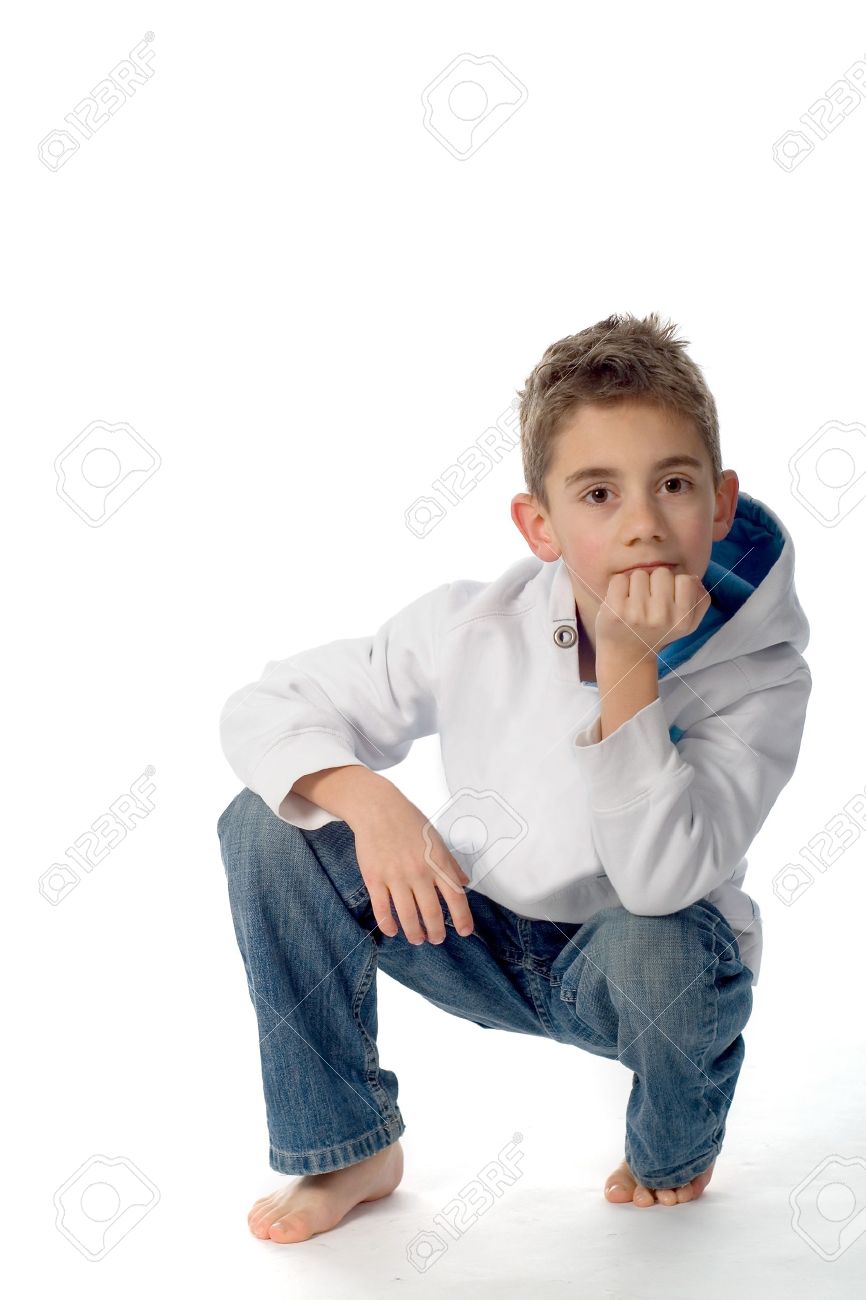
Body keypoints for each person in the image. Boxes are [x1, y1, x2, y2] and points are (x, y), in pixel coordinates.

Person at [217, 311, 812, 1243]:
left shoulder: (763, 675)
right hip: (472, 928)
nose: (645, 524)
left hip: (641, 972)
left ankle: (673, 1147)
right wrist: (371, 801)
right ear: (539, 524)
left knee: (661, 942)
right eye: (598, 493)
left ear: (722, 504)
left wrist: (628, 669)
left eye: (673, 484)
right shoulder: (473, 624)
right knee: (263, 824)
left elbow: (662, 885)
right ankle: (348, 1148)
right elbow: (261, 709)